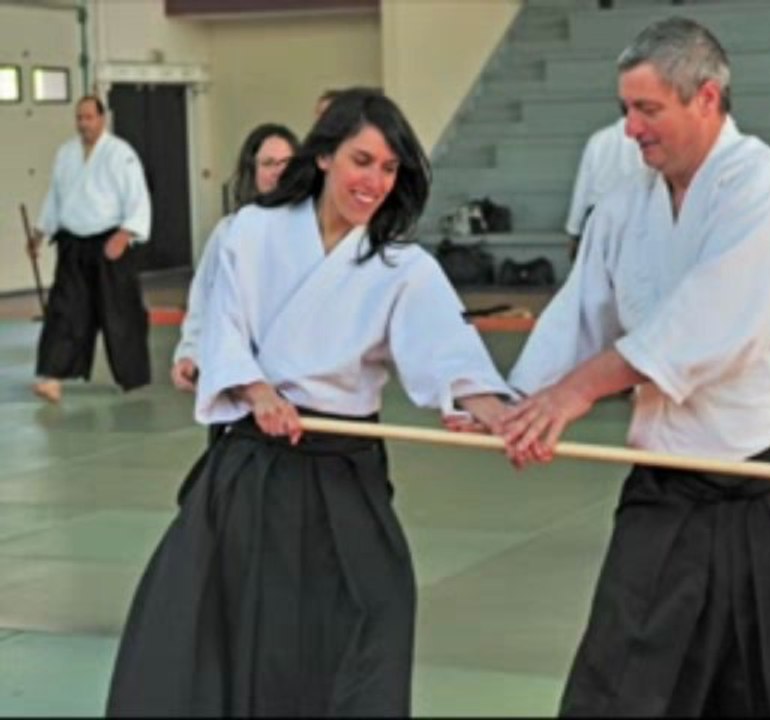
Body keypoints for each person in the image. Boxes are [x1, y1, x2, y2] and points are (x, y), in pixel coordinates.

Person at [499, 17, 770, 717]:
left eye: (647, 109)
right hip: (673, 479)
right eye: (625, 109)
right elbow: (581, 311)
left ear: (706, 98)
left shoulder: (769, 188)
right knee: (620, 687)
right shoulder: (624, 208)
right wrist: (513, 404)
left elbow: (707, 325)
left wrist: (578, 392)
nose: (630, 129)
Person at [106, 88, 511, 717]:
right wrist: (255, 389)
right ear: (324, 157)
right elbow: (222, 324)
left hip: (345, 466)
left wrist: (494, 411)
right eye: (361, 160)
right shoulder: (252, 231)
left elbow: (448, 351)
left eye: (388, 168)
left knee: (376, 609)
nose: (374, 181)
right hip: (255, 464)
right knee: (238, 630)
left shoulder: (401, 264)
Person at [27, 95, 152, 403]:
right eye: (79, 118)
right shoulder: (66, 154)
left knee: (119, 313)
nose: (83, 124)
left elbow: (137, 198)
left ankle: (132, 376)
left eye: (89, 117)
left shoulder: (120, 154)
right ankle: (52, 377)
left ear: (102, 119)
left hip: (110, 243)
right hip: (74, 243)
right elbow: (55, 197)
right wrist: (40, 233)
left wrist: (124, 235)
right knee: (64, 311)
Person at [170, 123, 301, 393]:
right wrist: (190, 352)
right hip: (239, 376)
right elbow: (205, 298)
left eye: (287, 162)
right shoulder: (230, 231)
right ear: (252, 172)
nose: (279, 171)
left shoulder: (314, 229)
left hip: (299, 378)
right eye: (268, 163)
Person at [564, 117, 644, 260]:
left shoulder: (598, 139)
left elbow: (582, 188)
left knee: (599, 273)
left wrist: (574, 231)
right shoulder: (645, 140)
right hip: (634, 215)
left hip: (598, 216)